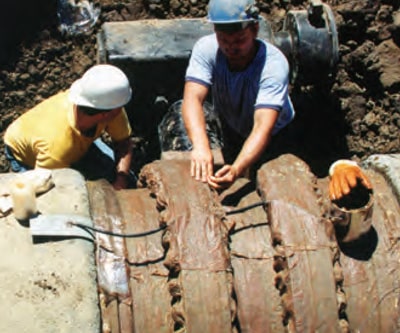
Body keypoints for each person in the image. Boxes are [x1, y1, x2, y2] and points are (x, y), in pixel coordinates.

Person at [181, 0, 295, 190]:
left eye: (240, 40)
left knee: (273, 184)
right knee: (230, 175)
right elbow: (193, 98)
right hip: (232, 125)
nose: (231, 47)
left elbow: (262, 126)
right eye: (223, 40)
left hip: (275, 134)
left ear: (255, 30)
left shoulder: (273, 65)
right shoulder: (206, 49)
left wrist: (238, 169)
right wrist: (201, 146)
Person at [4, 64, 134, 190]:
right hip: (24, 153)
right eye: (119, 107)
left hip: (73, 145)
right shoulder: (57, 146)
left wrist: (121, 181)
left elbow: (123, 143)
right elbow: (52, 187)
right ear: (106, 113)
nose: (121, 109)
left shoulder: (106, 106)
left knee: (128, 179)